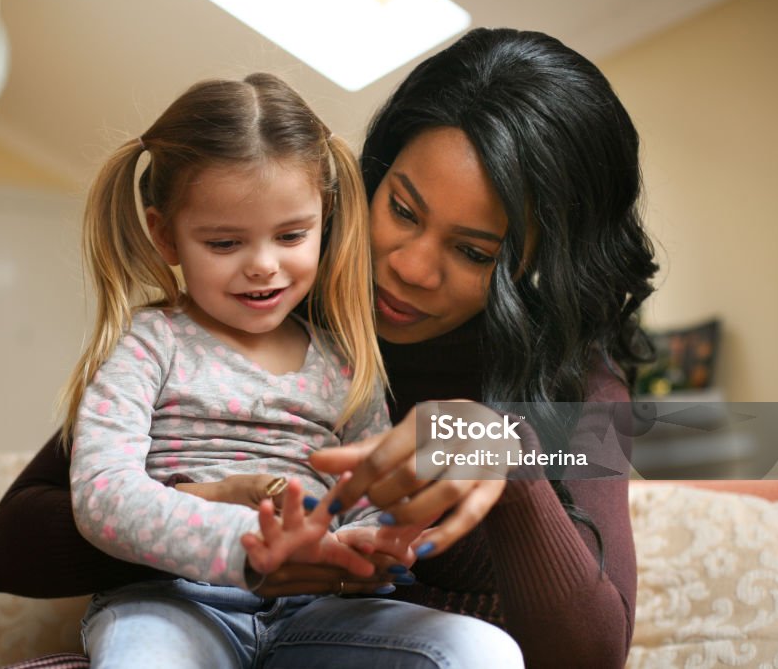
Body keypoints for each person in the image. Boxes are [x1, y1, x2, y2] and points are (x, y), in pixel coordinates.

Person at [0, 27, 657, 668]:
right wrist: (217, 513)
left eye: (474, 250)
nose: (411, 266)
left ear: (546, 261)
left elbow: (592, 655)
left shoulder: (581, 388)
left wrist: (508, 464)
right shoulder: (269, 304)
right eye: (403, 210)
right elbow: (12, 545)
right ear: (372, 178)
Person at [56, 72, 524, 668]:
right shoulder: (148, 344)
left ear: (324, 218)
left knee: (484, 653)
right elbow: (103, 495)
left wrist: (365, 545)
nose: (263, 265)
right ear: (165, 236)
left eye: (291, 235)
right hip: (175, 602)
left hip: (320, 611)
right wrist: (245, 546)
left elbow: (368, 499)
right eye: (225, 243)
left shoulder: (345, 360)